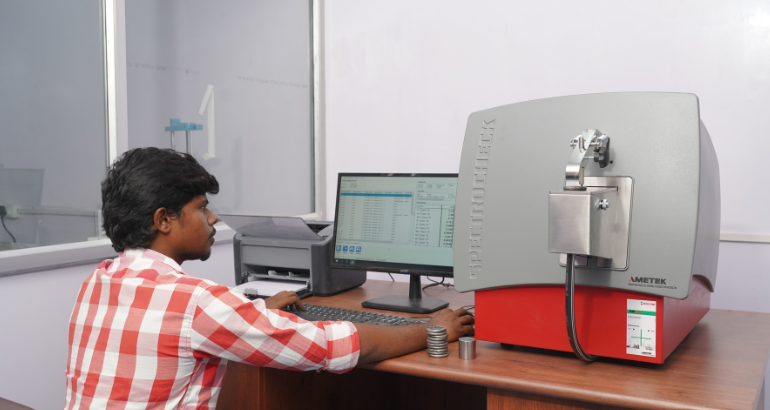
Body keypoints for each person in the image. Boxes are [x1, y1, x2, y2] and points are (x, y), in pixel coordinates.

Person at [64, 147, 473, 409]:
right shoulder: (198, 306)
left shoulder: (99, 281)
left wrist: (253, 311)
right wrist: (431, 330)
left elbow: (178, 322)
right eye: (201, 207)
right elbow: (334, 346)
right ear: (163, 220)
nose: (214, 218)